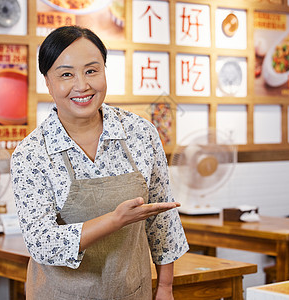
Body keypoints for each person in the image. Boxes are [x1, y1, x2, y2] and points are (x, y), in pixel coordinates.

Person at [11, 25, 189, 300]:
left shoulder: (141, 134)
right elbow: (41, 243)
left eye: (91, 71)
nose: (82, 85)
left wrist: (165, 287)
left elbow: (163, 219)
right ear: (48, 82)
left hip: (132, 291)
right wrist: (115, 220)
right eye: (66, 74)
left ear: (105, 71)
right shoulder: (31, 153)